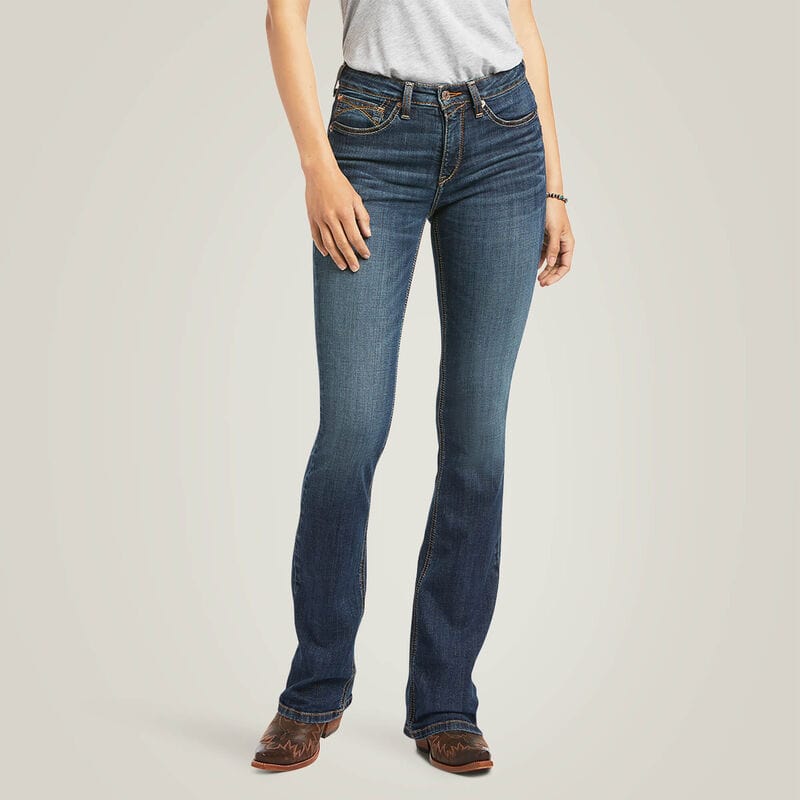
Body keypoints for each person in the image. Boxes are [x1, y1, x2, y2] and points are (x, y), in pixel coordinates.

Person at [252, 0, 575, 774]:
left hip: (504, 137)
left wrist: (556, 188)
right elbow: (282, 17)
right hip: (373, 137)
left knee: (477, 441)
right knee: (351, 430)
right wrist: (317, 168)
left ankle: (446, 700)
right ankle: (313, 690)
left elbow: (522, 25)